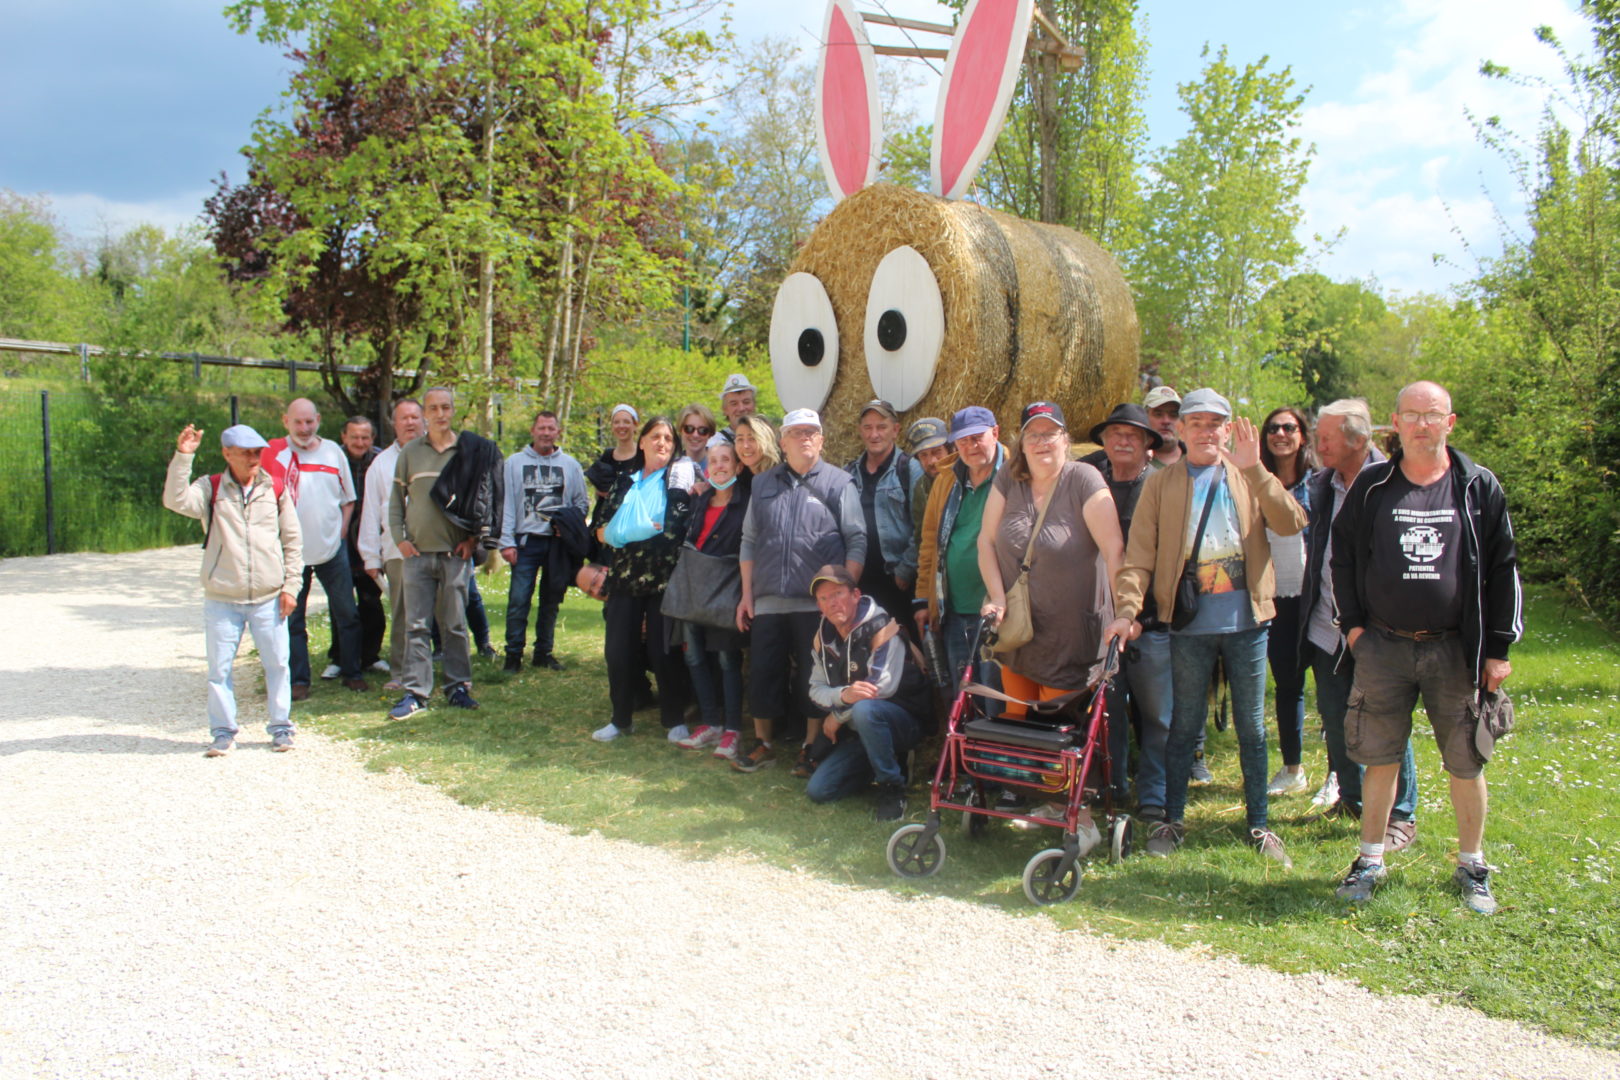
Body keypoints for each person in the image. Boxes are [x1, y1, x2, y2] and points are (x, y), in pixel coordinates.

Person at [1329, 381, 1521, 915]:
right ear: (1395, 422)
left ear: (1450, 422)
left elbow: (1503, 570)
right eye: (1411, 416)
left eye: (1431, 415)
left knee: (1466, 761)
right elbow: (1341, 556)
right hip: (1384, 646)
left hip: (1455, 650)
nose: (1421, 425)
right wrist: (1353, 627)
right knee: (1379, 758)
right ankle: (1370, 860)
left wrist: (1498, 648)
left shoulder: (1477, 485)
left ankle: (1472, 865)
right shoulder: (1373, 486)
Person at [1105, 389, 1307, 867]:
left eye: (1214, 423)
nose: (1205, 431)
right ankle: (1171, 820)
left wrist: (1257, 469)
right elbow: (1138, 558)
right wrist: (1128, 611)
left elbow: (1291, 521)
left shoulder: (1248, 475)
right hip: (1189, 624)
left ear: (1227, 427)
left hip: (1248, 623)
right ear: (1180, 429)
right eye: (1195, 423)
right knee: (1183, 725)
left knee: (1253, 730)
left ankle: (1259, 823)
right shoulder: (1162, 484)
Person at [978, 401, 1125, 837]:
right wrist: (996, 596)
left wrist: (1124, 615)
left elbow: (1115, 551)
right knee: (1022, 723)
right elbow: (986, 542)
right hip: (1019, 631)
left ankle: (1079, 816)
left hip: (1069, 632)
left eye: (1050, 433)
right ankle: (1046, 800)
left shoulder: (1084, 479)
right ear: (1020, 443)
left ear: (1065, 439)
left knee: (1063, 729)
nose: (1042, 442)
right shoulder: (1009, 478)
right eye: (1033, 435)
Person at [1301, 398, 1420, 842]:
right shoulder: (1319, 485)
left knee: (1386, 722)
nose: (1318, 445)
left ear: (1357, 440)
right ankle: (1352, 800)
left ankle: (1400, 814)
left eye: (1326, 438)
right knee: (1335, 717)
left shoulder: (1395, 484)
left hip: (1379, 630)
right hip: (1325, 627)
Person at [734, 408, 866, 773]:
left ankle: (810, 747)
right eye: (796, 432)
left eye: (812, 432)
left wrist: (844, 596)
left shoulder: (840, 484)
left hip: (816, 606)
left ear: (821, 440)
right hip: (769, 600)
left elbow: (857, 540)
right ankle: (763, 743)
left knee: (814, 675)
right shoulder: (762, 485)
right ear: (782, 440)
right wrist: (747, 595)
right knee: (763, 672)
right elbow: (749, 541)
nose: (805, 437)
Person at [165, 423, 303, 755]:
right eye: (245, 453)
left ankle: (281, 727)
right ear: (227, 454)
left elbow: (293, 541)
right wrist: (184, 457)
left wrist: (292, 587)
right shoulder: (211, 488)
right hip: (223, 599)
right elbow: (175, 500)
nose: (254, 459)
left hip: (269, 597)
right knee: (219, 670)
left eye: (257, 452)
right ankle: (223, 732)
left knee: (279, 665)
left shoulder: (276, 488)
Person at [386, 387, 495, 718]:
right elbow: (395, 502)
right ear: (424, 413)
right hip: (417, 555)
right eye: (432, 408)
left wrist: (473, 540)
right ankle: (416, 692)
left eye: (445, 407)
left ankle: (458, 686)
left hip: (454, 555)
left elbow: (482, 499)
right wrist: (399, 539)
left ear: (453, 410)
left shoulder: (467, 452)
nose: (440, 414)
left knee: (454, 624)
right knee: (416, 626)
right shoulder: (409, 453)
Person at [1085, 402, 1171, 822]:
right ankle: (1112, 786)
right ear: (1103, 440)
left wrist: (1140, 616)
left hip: (1153, 623)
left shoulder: (1160, 487)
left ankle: (1153, 796)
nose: (1122, 440)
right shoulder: (1090, 482)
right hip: (1104, 624)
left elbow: (1172, 559)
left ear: (1148, 445)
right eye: (1115, 432)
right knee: (1109, 711)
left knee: (1157, 716)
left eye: (1133, 435)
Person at [592, 416, 697, 741]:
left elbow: (672, 532)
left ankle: (673, 718)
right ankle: (620, 719)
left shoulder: (676, 482)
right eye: (655, 437)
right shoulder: (626, 482)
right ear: (642, 442)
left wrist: (623, 532)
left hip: (663, 582)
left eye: (668, 438)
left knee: (662, 652)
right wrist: (630, 529)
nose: (662, 443)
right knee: (618, 651)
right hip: (624, 580)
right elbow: (600, 531)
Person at [805, 565, 933, 821]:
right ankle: (883, 764)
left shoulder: (883, 628)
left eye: (838, 594)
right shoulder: (822, 637)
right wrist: (843, 695)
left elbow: (880, 689)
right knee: (819, 791)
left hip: (902, 721)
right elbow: (815, 689)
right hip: (859, 729)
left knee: (865, 709)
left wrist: (838, 716)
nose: (832, 603)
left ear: (855, 594)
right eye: (824, 598)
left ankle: (892, 789)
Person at [265, 397, 365, 699]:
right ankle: (299, 680)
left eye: (309, 421)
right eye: (298, 422)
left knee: (347, 613)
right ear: (286, 421)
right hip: (290, 553)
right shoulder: (274, 453)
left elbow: (349, 499)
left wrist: (342, 531)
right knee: (293, 618)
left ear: (318, 420)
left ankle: (352, 672)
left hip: (331, 549)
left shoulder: (334, 451)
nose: (304, 428)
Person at [914, 406, 1006, 694]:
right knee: (962, 694)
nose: (971, 447)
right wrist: (922, 599)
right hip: (953, 609)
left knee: (998, 696)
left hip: (1002, 611)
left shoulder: (1017, 474)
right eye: (963, 441)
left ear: (995, 432)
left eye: (977, 438)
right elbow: (930, 542)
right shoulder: (946, 480)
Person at [672, 434, 751, 760]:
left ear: (737, 465)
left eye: (726, 460)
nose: (719, 466)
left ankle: (732, 729)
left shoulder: (745, 503)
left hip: (726, 590)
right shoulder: (699, 499)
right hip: (694, 589)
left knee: (727, 660)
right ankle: (710, 723)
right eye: (714, 460)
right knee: (694, 657)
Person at [500, 409, 589, 673]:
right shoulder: (514, 464)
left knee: (551, 600)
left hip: (557, 545)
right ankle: (513, 655)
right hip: (526, 542)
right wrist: (506, 541)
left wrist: (568, 526)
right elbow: (506, 504)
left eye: (551, 428)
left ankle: (543, 652)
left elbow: (581, 504)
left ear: (558, 432)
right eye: (542, 428)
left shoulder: (570, 466)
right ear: (533, 430)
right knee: (519, 600)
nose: (546, 433)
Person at [1258, 406, 1315, 797]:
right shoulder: (1255, 484)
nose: (1281, 433)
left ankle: (1337, 775)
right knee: (1288, 686)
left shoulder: (1321, 484)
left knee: (1332, 689)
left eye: (1289, 427)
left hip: (1318, 599)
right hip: (1275, 599)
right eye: (1273, 428)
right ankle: (1293, 768)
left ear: (1302, 436)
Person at [358, 398, 424, 691]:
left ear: (423, 420)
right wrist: (371, 557)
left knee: (445, 616)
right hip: (397, 551)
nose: (410, 423)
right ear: (394, 424)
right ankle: (400, 673)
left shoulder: (441, 455)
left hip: (438, 549)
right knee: (403, 615)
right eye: (403, 419)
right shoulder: (381, 465)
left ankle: (445, 673)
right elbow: (371, 512)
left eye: (414, 417)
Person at [846, 399, 923, 633]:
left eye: (881, 427)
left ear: (895, 430)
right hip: (862, 581)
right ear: (860, 431)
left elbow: (923, 528)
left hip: (898, 581)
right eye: (868, 427)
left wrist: (905, 570)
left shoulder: (910, 469)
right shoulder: (848, 473)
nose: (874, 434)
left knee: (906, 647)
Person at [323, 416, 387, 681]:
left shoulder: (380, 460)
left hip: (371, 537)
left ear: (372, 439)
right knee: (340, 602)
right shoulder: (332, 458)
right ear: (344, 437)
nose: (359, 442)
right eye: (354, 437)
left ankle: (370, 656)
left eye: (365, 437)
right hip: (340, 538)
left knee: (371, 600)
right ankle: (339, 657)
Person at [1144, 385, 1184, 469]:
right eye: (1158, 414)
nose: (1166, 421)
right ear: (1145, 417)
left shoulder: (1197, 461)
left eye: (1173, 415)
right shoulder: (1134, 464)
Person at [675, 402, 718, 482]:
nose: (695, 435)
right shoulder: (673, 467)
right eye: (689, 429)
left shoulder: (719, 464)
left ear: (710, 434)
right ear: (681, 430)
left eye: (702, 430)